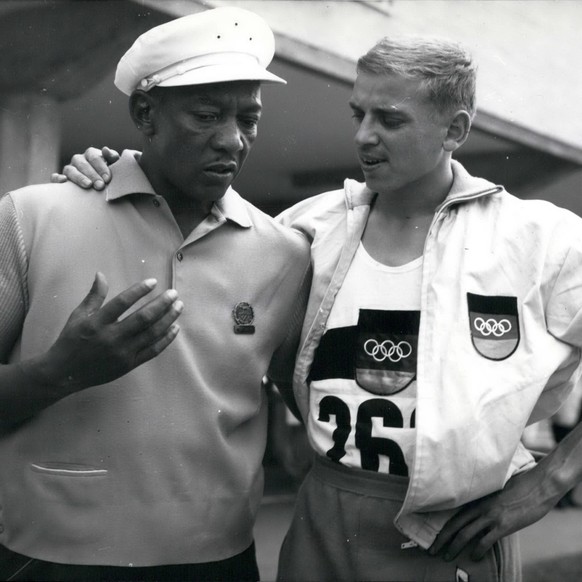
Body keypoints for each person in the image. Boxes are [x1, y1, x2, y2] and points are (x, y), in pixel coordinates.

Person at [58, 35, 582, 582]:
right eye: (359, 114)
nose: (363, 136)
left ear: (455, 129)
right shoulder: (310, 227)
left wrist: (551, 481)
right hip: (326, 511)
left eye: (390, 120)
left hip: (455, 530)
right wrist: (115, 171)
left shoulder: (539, 238)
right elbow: (197, 233)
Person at [0, 7, 310, 582]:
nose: (232, 139)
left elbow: (304, 410)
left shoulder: (285, 254)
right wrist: (61, 371)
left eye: (249, 117)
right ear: (145, 114)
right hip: (50, 557)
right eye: (206, 114)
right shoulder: (32, 217)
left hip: (219, 560)